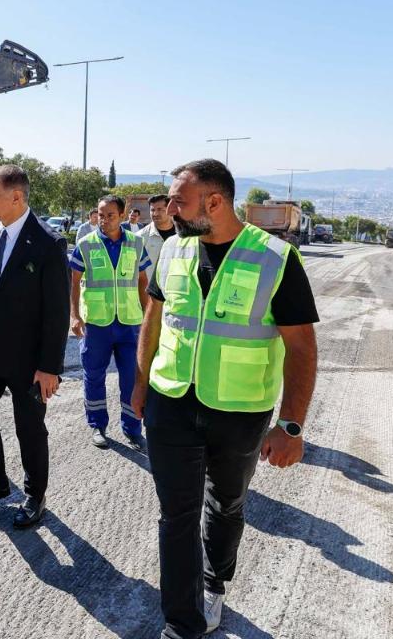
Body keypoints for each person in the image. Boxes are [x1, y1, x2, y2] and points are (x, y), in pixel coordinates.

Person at [132, 159, 318, 638]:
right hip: (171, 400)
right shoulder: (173, 250)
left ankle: (215, 583)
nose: (168, 209)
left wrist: (292, 424)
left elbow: (301, 346)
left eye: (179, 200)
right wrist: (140, 382)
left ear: (214, 202)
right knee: (176, 514)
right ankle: (183, 621)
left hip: (240, 412)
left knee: (226, 505)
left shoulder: (275, 258)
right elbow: (153, 318)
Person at [0, 165, 70, 529]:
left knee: (29, 428)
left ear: (17, 197)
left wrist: (50, 366)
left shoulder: (49, 243)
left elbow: (56, 312)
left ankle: (34, 495)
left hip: (28, 359)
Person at [70, 195, 150, 451]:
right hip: (97, 323)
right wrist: (74, 315)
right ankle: (98, 426)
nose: (103, 221)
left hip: (129, 324)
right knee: (94, 376)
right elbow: (73, 283)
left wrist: (149, 317)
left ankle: (132, 428)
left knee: (131, 377)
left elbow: (142, 283)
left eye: (110, 216)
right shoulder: (86, 244)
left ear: (123, 215)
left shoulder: (137, 244)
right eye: (101, 215)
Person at [136, 194, 177, 283]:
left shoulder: (183, 235)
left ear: (169, 209)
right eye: (152, 210)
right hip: (150, 293)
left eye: (160, 209)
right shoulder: (140, 237)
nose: (155, 214)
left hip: (177, 292)